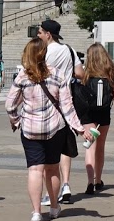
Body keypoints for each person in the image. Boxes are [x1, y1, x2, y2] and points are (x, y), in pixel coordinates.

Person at [6, 38, 96, 221]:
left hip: (30, 129)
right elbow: (67, 106)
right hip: (55, 129)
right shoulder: (57, 75)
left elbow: (10, 105)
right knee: (53, 169)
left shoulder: (22, 77)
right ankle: (54, 207)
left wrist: (16, 120)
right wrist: (80, 129)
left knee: (35, 170)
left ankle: (36, 212)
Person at [35, 18, 82, 206]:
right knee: (65, 146)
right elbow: (79, 73)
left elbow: (38, 75)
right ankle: (66, 185)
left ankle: (50, 193)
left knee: (49, 149)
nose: (37, 35)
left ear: (47, 34)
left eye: (39, 32)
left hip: (49, 104)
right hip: (68, 101)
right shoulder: (69, 50)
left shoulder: (45, 52)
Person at [73, 43, 114, 195]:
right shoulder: (110, 74)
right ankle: (98, 179)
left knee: (89, 146)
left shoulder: (86, 74)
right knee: (100, 147)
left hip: (88, 114)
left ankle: (89, 181)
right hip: (104, 113)